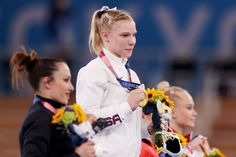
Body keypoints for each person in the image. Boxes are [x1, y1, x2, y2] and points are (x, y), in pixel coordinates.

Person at [76, 6, 145, 157]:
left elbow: (127, 127)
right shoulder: (92, 71)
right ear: (105, 36)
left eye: (134, 35)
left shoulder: (132, 75)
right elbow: (86, 123)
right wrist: (127, 106)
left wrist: (147, 128)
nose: (132, 41)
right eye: (125, 35)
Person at [10, 49, 96, 157]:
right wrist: (77, 154)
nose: (71, 87)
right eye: (66, 80)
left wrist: (85, 126)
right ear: (47, 82)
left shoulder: (51, 113)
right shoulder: (39, 117)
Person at [157, 81, 225, 156]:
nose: (195, 113)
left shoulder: (186, 141)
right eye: (189, 108)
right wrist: (190, 147)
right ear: (172, 112)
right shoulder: (161, 141)